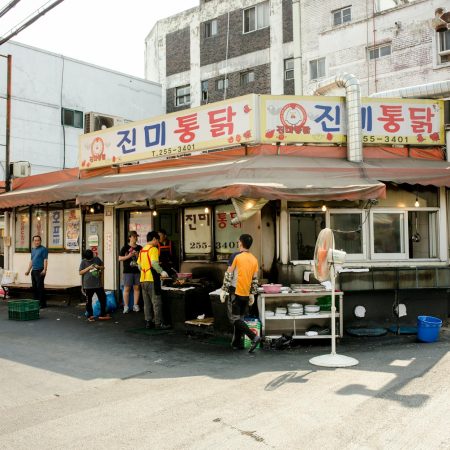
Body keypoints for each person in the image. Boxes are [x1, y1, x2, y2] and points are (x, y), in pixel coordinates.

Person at [220, 233, 261, 353]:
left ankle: (254, 337)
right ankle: (237, 343)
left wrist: (224, 289)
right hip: (246, 294)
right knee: (240, 319)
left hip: (235, 292)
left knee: (234, 319)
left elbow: (228, 274)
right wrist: (252, 293)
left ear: (241, 243)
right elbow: (255, 279)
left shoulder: (236, 256)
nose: (238, 243)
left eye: (239, 242)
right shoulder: (254, 259)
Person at [137, 231, 170, 329]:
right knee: (157, 302)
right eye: (157, 240)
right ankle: (158, 323)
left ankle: (148, 322)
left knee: (146, 303)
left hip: (143, 279)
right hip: (152, 279)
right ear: (154, 239)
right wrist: (162, 272)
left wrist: (145, 270)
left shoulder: (142, 250)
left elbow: (139, 266)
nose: (158, 243)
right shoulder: (153, 249)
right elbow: (154, 264)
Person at [79, 249, 111, 322]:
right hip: (88, 285)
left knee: (103, 299)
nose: (90, 260)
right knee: (88, 301)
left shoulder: (97, 259)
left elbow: (103, 267)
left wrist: (98, 267)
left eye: (91, 259)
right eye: (89, 259)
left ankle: (103, 314)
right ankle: (90, 315)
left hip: (98, 284)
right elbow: (80, 272)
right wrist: (88, 268)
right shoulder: (83, 262)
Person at [119, 230, 142, 314]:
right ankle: (126, 306)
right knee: (127, 288)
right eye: (134, 236)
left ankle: (135, 305)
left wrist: (137, 255)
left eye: (136, 236)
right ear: (129, 238)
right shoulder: (125, 247)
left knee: (137, 288)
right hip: (128, 271)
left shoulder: (140, 247)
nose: (136, 238)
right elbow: (120, 258)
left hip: (137, 270)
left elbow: (143, 259)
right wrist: (129, 256)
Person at [25, 235, 48, 308]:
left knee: (40, 287)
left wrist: (45, 269)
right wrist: (28, 270)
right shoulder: (33, 250)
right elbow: (32, 260)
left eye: (38, 240)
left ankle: (42, 304)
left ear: (40, 241)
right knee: (34, 287)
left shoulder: (44, 249)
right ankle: (36, 303)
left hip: (40, 270)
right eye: (35, 240)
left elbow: (45, 260)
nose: (37, 242)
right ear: (33, 241)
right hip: (33, 271)